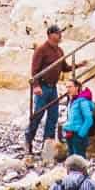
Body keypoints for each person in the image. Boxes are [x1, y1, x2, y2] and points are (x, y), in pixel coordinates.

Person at [25, 24, 67, 160]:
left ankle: (47, 147)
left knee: (53, 117)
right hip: (42, 87)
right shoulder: (41, 50)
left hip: (53, 87)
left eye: (60, 33)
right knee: (37, 115)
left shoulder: (60, 50)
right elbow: (35, 70)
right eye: (57, 33)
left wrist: (77, 66)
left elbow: (64, 67)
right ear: (50, 34)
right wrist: (36, 86)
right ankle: (28, 141)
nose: (60, 36)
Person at [60, 80, 95, 158]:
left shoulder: (82, 101)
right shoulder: (72, 101)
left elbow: (89, 119)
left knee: (79, 160)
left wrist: (81, 134)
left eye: (70, 87)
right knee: (71, 160)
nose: (68, 89)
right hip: (70, 134)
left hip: (78, 135)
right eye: (66, 87)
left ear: (77, 87)